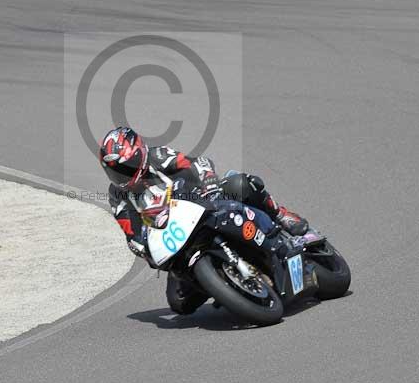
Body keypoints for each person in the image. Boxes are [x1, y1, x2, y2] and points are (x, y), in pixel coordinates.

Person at [99, 126, 310, 314]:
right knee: (179, 303)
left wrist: (208, 180)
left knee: (240, 184)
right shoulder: (118, 194)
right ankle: (223, 283)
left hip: (205, 207)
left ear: (141, 155)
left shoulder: (158, 156)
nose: (122, 176)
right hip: (177, 240)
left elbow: (197, 163)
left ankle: (279, 214)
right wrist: (142, 247)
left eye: (127, 167)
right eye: (115, 172)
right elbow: (130, 232)